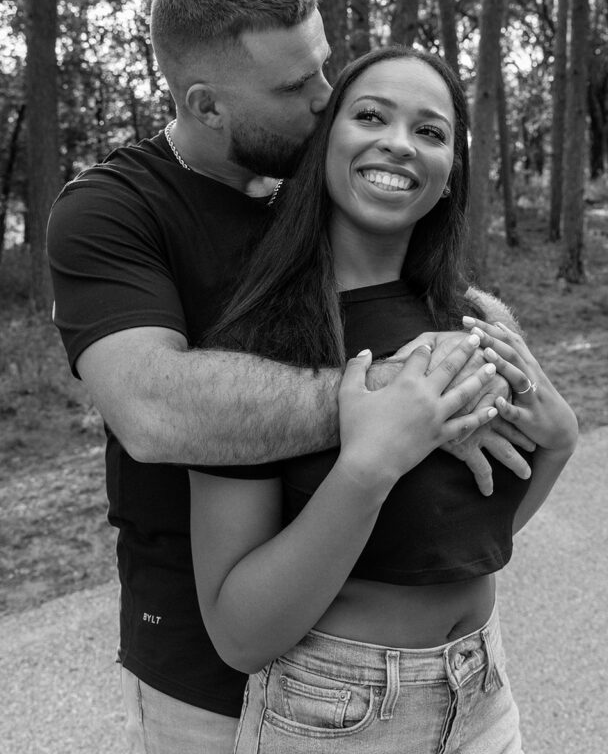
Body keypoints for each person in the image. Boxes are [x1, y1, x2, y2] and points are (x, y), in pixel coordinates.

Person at [46, 0, 534, 753]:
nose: (323, 99)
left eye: (322, 69)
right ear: (206, 105)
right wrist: (399, 405)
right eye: (292, 87)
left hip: (415, 664)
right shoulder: (113, 211)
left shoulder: (325, 171)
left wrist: (483, 372)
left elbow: (417, 284)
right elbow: (155, 411)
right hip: (203, 675)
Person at [189, 45, 579, 752]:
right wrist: (368, 466)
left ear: (449, 171)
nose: (399, 143)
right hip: (334, 715)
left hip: (484, 697)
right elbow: (238, 633)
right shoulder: (254, 339)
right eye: (370, 115)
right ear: (325, 140)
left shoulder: (472, 316)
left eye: (430, 131)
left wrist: (558, 442)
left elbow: (463, 539)